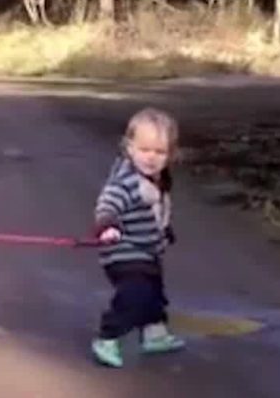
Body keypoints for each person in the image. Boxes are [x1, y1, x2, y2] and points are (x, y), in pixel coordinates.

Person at [90, 107, 185, 368]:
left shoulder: (157, 179)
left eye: (160, 152)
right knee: (135, 295)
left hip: (146, 251)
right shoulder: (127, 181)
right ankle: (107, 337)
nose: (151, 157)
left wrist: (164, 230)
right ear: (129, 148)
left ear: (171, 154)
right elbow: (108, 204)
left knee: (154, 294)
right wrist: (107, 226)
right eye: (144, 150)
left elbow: (156, 210)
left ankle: (155, 334)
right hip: (123, 251)